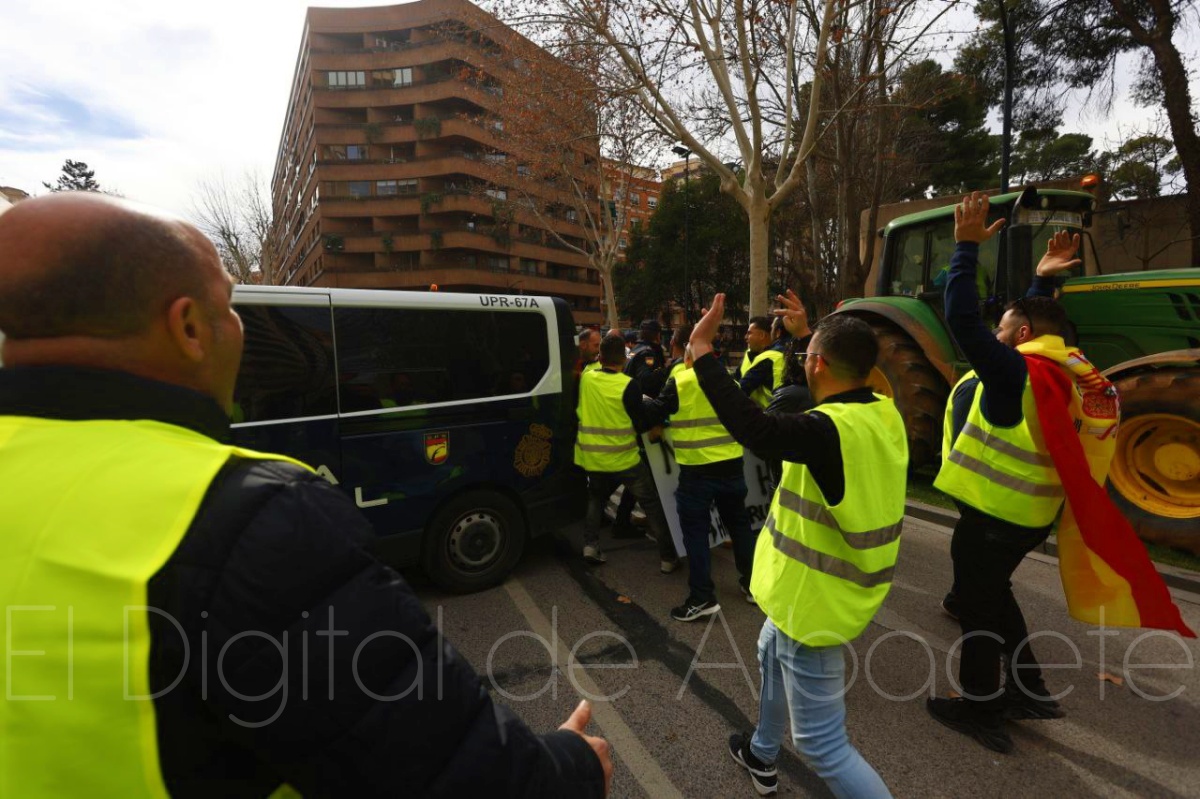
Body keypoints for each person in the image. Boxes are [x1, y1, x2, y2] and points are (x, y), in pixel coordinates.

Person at [0, 193, 611, 798]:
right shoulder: (250, 513)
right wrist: (573, 768)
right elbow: (454, 771)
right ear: (187, 328)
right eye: (229, 306)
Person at [688, 293, 907, 798]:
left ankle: (769, 752)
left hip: (814, 604)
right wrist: (809, 336)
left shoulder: (826, 430)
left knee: (824, 746)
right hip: (819, 590)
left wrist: (701, 351)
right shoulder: (882, 411)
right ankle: (762, 754)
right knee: (768, 650)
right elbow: (831, 376)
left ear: (818, 364)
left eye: (808, 355)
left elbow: (755, 428)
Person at [924, 192, 1099, 754]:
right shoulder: (1067, 367)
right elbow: (1035, 322)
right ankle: (1028, 688)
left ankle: (979, 707)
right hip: (1030, 515)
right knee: (995, 597)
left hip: (992, 520)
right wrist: (1042, 283)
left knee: (979, 612)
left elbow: (960, 317)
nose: (995, 334)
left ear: (1020, 336)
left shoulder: (1013, 372)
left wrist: (965, 248)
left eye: (1002, 328)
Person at [643, 343, 755, 622]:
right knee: (740, 526)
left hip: (697, 472)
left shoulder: (681, 381)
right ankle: (753, 585)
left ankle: (702, 597)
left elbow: (654, 413)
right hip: (732, 467)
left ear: (689, 358)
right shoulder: (730, 382)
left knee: (696, 533)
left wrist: (642, 399)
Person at [575, 333, 679, 571]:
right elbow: (640, 422)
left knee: (596, 498)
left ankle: (590, 545)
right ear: (624, 358)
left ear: (600, 357)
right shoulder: (628, 385)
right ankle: (668, 558)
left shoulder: (587, 378)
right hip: (624, 458)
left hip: (593, 457)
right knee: (651, 502)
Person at [735, 316, 784, 408]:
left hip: (771, 413)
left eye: (749, 333)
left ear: (762, 335)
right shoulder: (749, 354)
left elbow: (741, 389)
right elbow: (736, 377)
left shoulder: (769, 358)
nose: (745, 337)